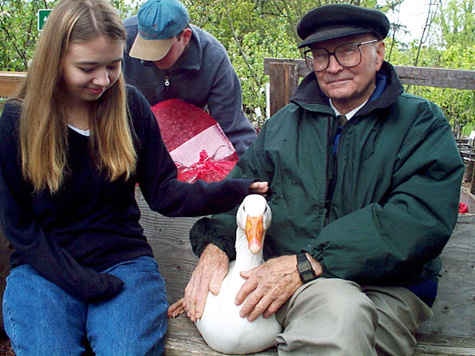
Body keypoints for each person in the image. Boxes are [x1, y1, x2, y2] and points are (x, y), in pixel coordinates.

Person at [179, 4, 464, 356]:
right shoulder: (285, 125)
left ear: (379, 53)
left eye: (348, 51)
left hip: (383, 288)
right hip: (280, 282)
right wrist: (216, 245)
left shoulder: (420, 125)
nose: (332, 66)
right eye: (320, 55)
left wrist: (312, 261)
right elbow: (243, 191)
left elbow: (417, 218)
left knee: (340, 317)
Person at [0, 0, 267, 355]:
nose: (103, 80)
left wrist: (232, 190)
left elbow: (165, 194)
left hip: (122, 261)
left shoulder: (131, 108)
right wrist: (80, 281)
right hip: (43, 268)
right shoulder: (17, 122)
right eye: (88, 68)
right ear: (56, 61)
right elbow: (19, 228)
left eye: (113, 66)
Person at [123, 0, 257, 157]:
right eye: (146, 48)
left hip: (189, 146)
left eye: (161, 50)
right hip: (131, 138)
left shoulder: (214, 59)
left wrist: (249, 173)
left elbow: (233, 129)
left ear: (185, 36)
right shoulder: (122, 41)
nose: (152, 58)